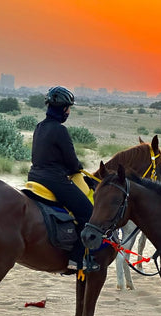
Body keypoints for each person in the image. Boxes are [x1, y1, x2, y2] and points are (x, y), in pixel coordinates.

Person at [28, 86, 99, 272]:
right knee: (88, 213)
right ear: (63, 109)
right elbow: (71, 161)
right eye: (68, 108)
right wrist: (79, 169)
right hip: (54, 179)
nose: (69, 111)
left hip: (34, 176)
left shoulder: (39, 126)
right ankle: (77, 259)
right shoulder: (60, 130)